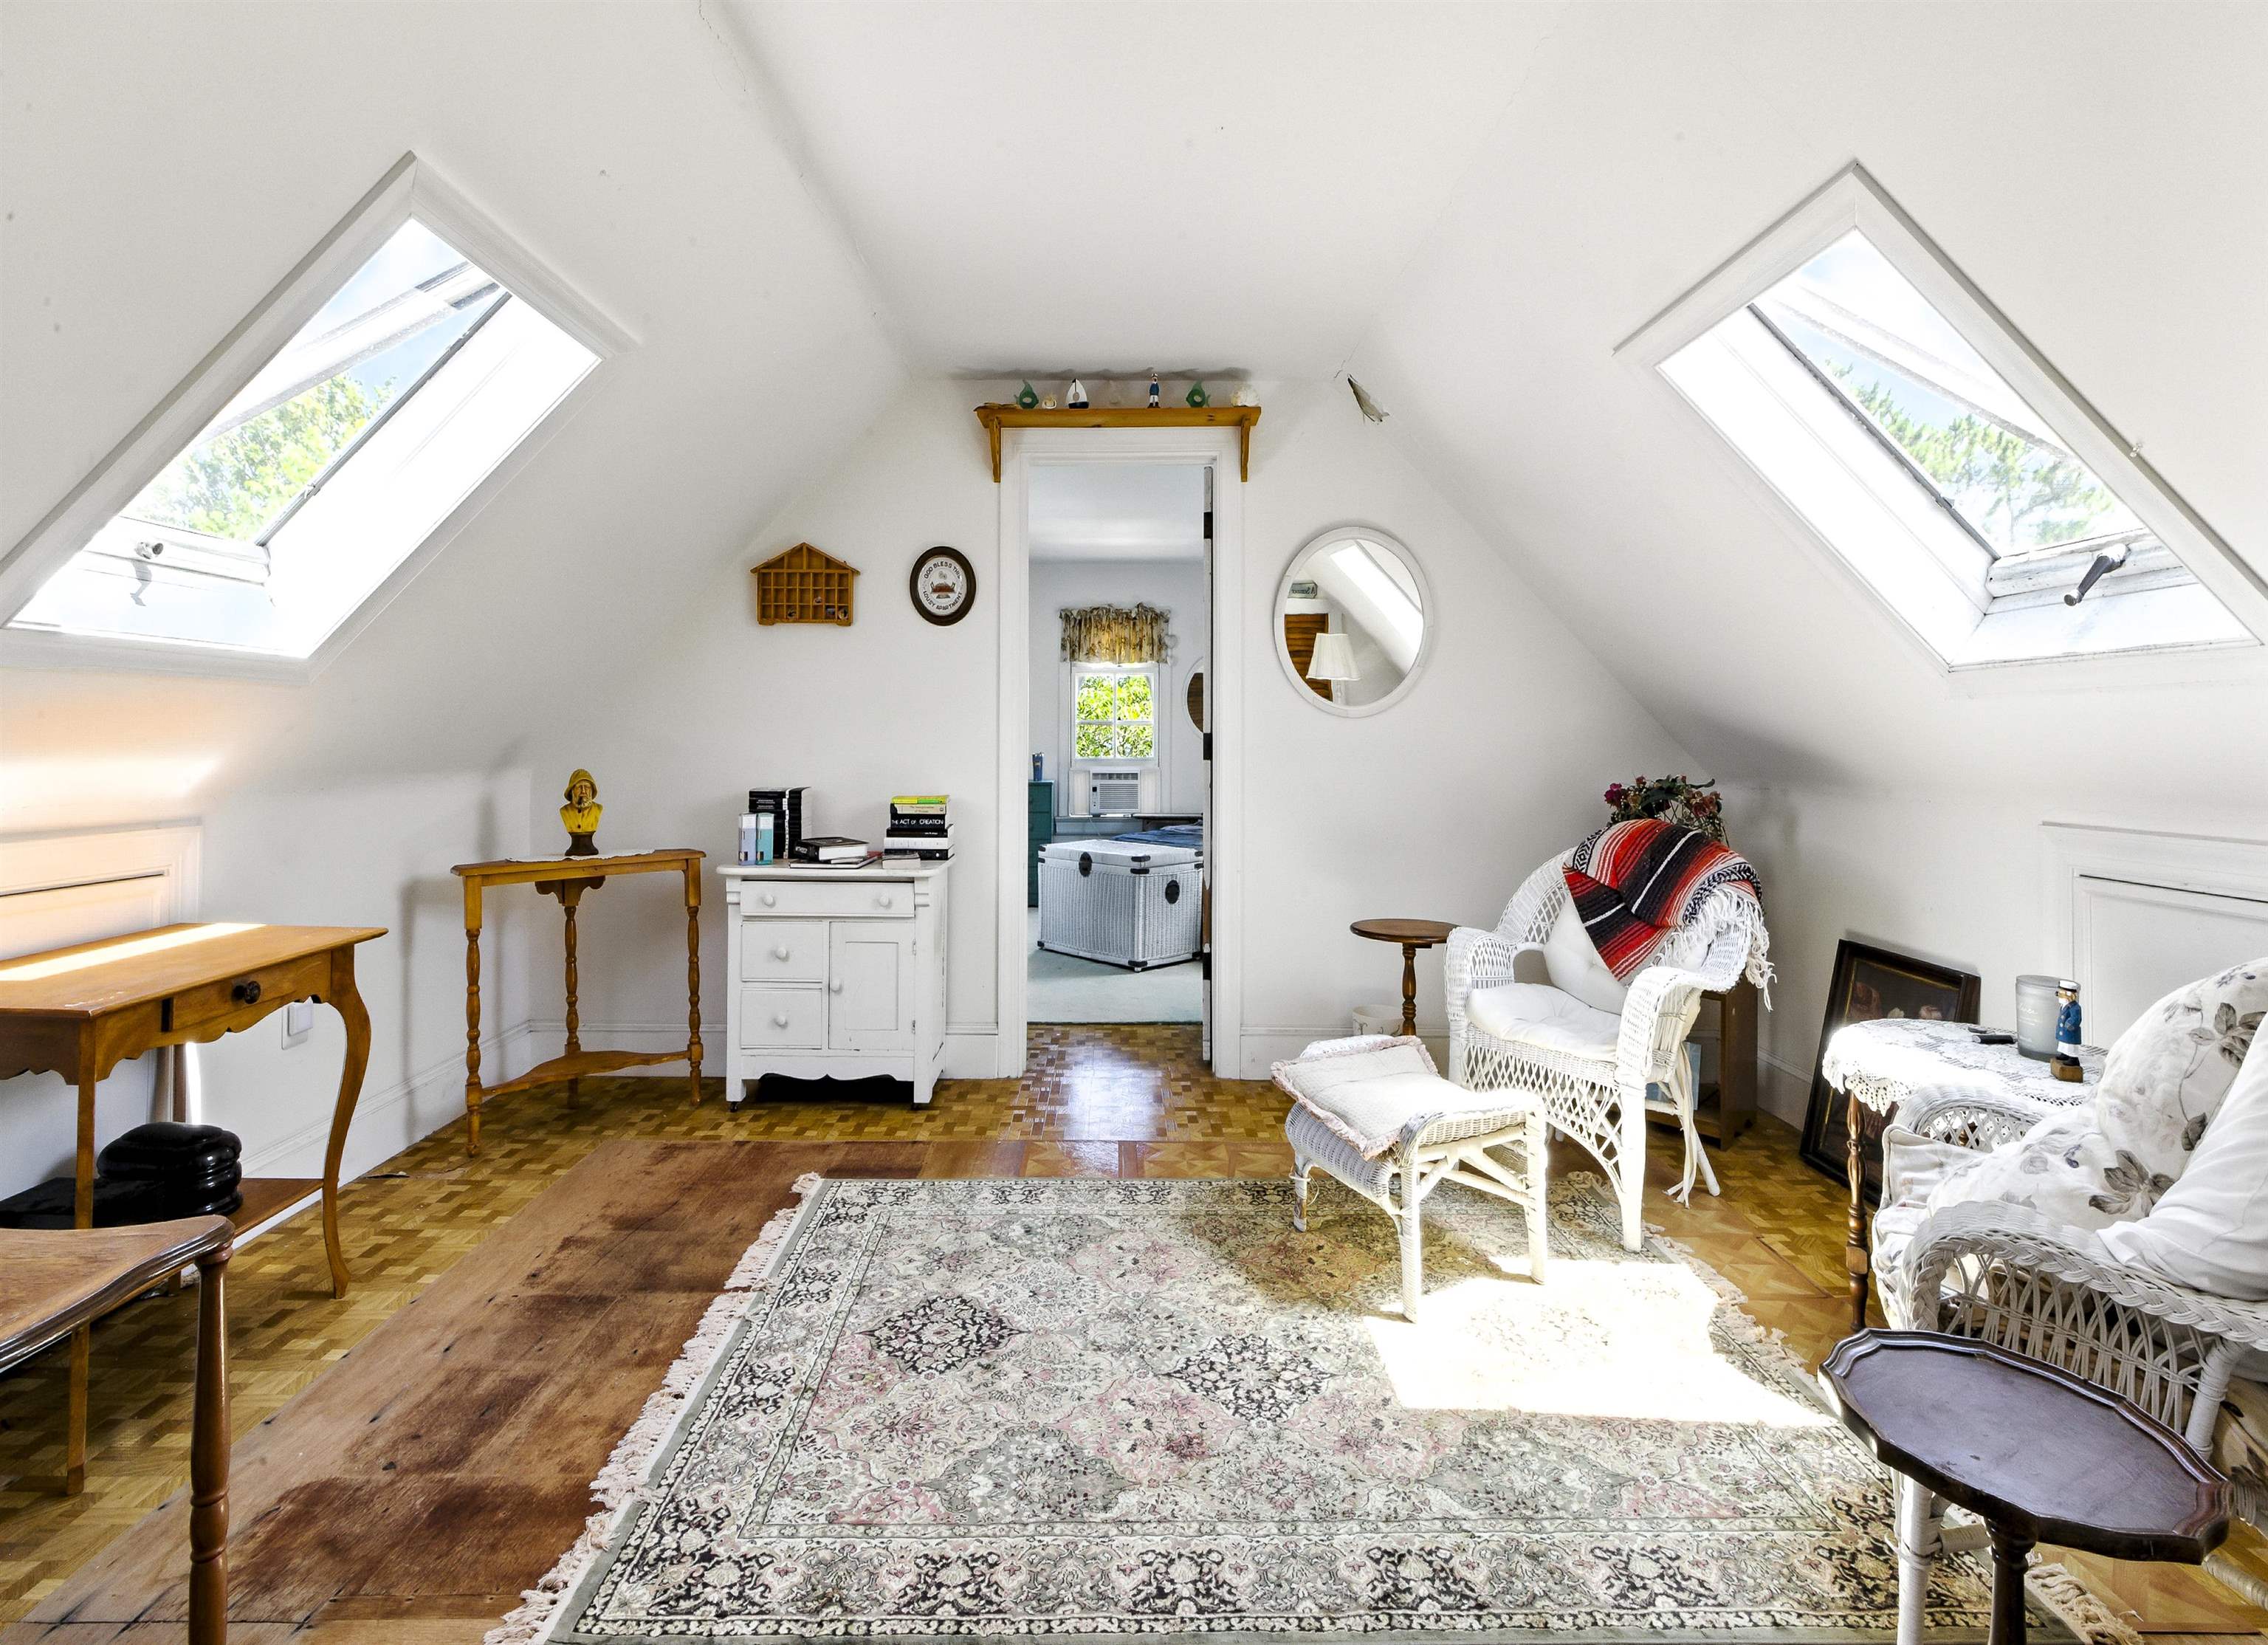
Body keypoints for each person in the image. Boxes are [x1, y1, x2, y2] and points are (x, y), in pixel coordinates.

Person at [561, 769, 602, 855]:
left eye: (587, 787)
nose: (583, 791)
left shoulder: (598, 809)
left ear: (592, 790)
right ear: (572, 790)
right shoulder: (565, 811)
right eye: (579, 787)